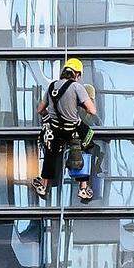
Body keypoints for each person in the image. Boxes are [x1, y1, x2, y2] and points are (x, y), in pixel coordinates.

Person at [32, 58, 98, 201]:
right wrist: (82, 104)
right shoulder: (77, 87)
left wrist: (49, 117)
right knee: (88, 144)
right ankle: (83, 188)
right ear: (77, 74)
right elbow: (92, 111)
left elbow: (40, 109)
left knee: (50, 154)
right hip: (73, 129)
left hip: (55, 130)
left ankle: (43, 186)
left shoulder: (51, 87)